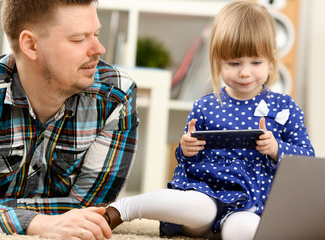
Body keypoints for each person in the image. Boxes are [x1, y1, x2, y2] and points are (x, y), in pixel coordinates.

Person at [102, 1, 315, 240]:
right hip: (205, 196)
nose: (245, 72)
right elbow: (186, 162)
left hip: (251, 203)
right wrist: (187, 149)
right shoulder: (205, 106)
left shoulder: (284, 106)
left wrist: (276, 148)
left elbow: (306, 159)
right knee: (199, 209)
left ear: (271, 60)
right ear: (218, 61)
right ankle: (123, 208)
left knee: (242, 229)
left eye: (255, 62)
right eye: (234, 63)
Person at [0, 0, 139, 239]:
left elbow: (92, 213)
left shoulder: (115, 96)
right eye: (79, 39)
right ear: (30, 44)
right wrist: (38, 224)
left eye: (96, 34)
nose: (99, 48)